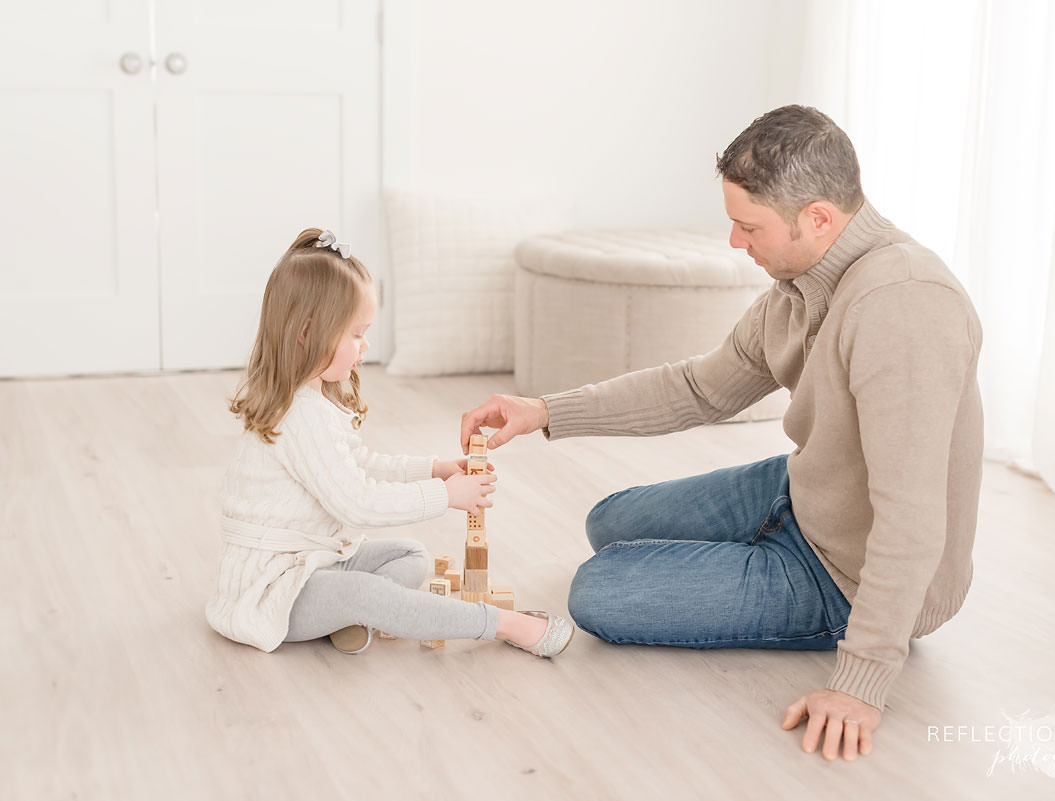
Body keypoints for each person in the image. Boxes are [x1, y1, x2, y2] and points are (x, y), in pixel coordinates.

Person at [460, 106, 982, 761]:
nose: (736, 243)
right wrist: (544, 410)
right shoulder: (797, 284)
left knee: (598, 590)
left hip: (845, 573)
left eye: (748, 227)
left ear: (818, 218)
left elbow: (912, 519)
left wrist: (862, 684)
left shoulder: (903, 306)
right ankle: (758, 541)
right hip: (803, 493)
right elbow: (700, 387)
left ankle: (789, 579)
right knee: (608, 522)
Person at [205, 228, 573, 659]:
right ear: (308, 334)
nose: (365, 347)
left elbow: (359, 462)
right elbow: (357, 503)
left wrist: (432, 469)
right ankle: (504, 626)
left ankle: (346, 617)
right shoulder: (300, 416)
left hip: (314, 562)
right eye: (356, 335)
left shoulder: (312, 400)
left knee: (410, 556)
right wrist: (444, 495)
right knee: (366, 592)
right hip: (272, 589)